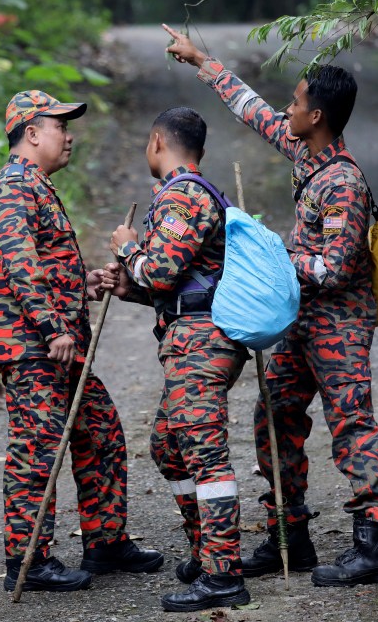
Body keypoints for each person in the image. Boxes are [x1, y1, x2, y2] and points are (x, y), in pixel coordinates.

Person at [163, 25, 378, 586]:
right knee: (274, 416)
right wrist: (204, 60)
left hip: (339, 323)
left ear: (317, 116)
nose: (285, 110)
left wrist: (272, 257)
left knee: (351, 422)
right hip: (301, 321)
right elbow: (251, 110)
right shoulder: (303, 150)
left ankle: (375, 543)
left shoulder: (343, 182)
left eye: (295, 102)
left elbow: (336, 268)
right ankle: (289, 534)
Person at [0, 90, 163, 593]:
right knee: (37, 448)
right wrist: (52, 325)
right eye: (59, 125)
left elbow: (47, 266)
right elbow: (19, 263)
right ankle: (28, 560)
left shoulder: (35, 185)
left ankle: (104, 542)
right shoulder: (14, 186)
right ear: (32, 133)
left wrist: (87, 283)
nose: (69, 133)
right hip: (34, 345)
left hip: (58, 345)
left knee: (99, 431)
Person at [109, 107, 251, 612]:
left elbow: (164, 271)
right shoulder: (187, 193)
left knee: (206, 454)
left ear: (156, 143)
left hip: (202, 345)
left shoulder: (184, 195)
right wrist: (130, 287)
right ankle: (206, 550)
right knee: (169, 447)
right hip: (191, 336)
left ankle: (223, 574)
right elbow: (179, 287)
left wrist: (129, 251)